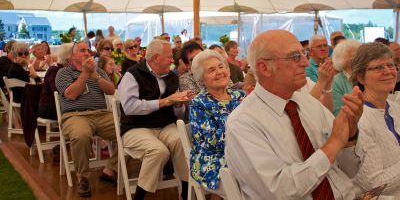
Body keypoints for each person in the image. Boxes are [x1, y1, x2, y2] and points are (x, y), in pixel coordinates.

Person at [225, 30, 364, 200]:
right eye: (295, 56)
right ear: (264, 67)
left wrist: (350, 135)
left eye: (304, 54)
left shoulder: (308, 103)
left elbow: (349, 170)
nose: (306, 63)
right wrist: (333, 145)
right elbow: (280, 191)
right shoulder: (243, 123)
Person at [118, 39, 192, 200]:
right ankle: (139, 197)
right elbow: (130, 107)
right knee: (158, 151)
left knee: (182, 141)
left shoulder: (172, 76)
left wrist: (179, 104)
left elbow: (177, 114)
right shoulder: (132, 74)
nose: (172, 60)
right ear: (155, 57)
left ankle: (186, 193)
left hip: (165, 125)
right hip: (135, 127)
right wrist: (165, 101)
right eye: (168, 57)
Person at [55, 41, 118, 198]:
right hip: (75, 116)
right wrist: (84, 73)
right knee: (80, 135)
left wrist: (95, 76)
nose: (87, 53)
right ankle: (82, 178)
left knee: (132, 129)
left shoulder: (99, 72)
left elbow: (111, 90)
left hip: (102, 114)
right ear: (72, 55)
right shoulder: (64, 73)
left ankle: (110, 167)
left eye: (89, 51)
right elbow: (71, 94)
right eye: (82, 50)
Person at [189, 50, 245, 199]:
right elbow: (210, 143)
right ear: (202, 79)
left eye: (221, 67)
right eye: (212, 70)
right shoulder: (199, 103)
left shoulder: (239, 96)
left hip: (243, 153)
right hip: (211, 160)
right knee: (251, 181)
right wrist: (240, 117)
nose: (219, 72)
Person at [350, 42, 400, 197]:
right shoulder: (361, 120)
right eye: (378, 67)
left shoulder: (393, 107)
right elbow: (374, 184)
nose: (388, 71)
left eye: (391, 65)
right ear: (360, 77)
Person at [38, 43, 73, 120]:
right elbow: (58, 92)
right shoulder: (54, 70)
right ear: (68, 56)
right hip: (50, 106)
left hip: (62, 104)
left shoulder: (69, 69)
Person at [332, 39, 362, 116]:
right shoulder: (336, 82)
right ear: (342, 59)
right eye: (355, 54)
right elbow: (337, 113)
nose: (362, 58)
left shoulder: (366, 77)